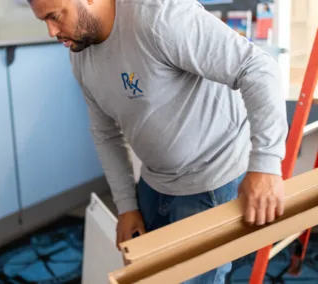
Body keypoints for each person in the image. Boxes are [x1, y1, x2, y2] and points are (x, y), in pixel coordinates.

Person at [28, 0, 288, 282]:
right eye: (44, 21)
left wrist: (265, 165)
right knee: (150, 276)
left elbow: (258, 68)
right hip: (154, 184)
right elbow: (105, 133)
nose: (52, 31)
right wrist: (127, 206)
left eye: (54, 17)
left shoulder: (160, 16)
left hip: (211, 180)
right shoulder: (80, 50)